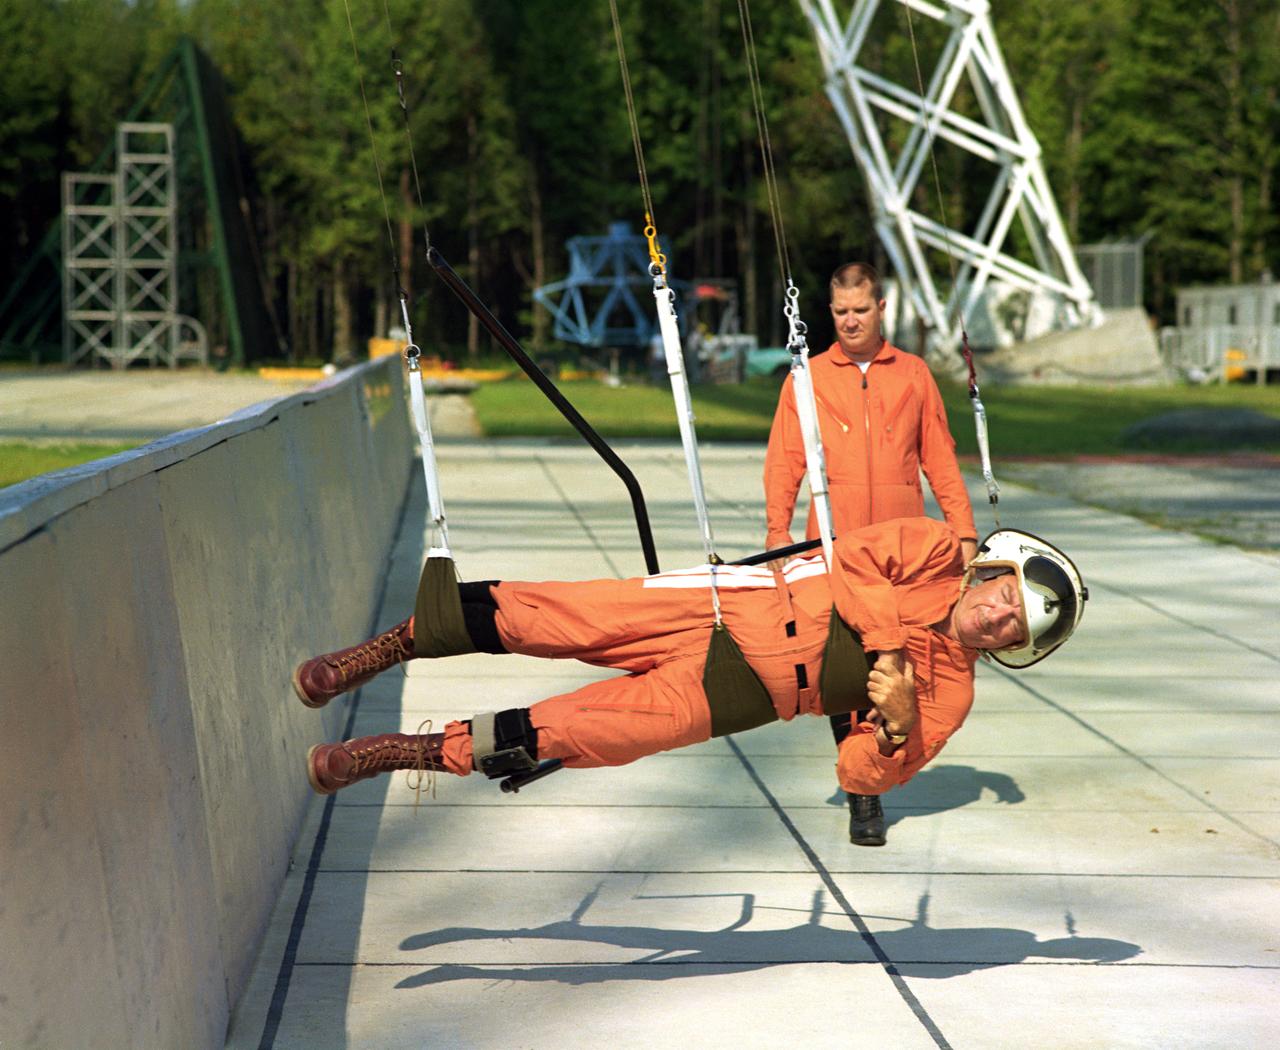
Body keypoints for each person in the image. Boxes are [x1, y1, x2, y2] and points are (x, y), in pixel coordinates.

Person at [294, 520, 1086, 803]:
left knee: (583, 733)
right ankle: (388, 647)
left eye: (1013, 629)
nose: (997, 618)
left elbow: (856, 774)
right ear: (993, 574)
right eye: (1007, 597)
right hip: (723, 603)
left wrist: (891, 732)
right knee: (560, 616)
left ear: (1013, 649)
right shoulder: (935, 551)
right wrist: (884, 648)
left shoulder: (948, 698)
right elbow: (856, 564)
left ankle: (409, 753)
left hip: (742, 690)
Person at [763, 261, 979, 847]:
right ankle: (864, 792)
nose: (850, 321)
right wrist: (777, 530)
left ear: (882, 308)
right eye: (840, 312)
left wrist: (962, 528)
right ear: (828, 313)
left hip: (903, 554)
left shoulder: (913, 375)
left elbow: (939, 456)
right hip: (834, 550)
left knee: (895, 661)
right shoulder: (805, 378)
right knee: (844, 665)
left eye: (860, 309)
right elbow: (785, 460)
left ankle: (869, 780)